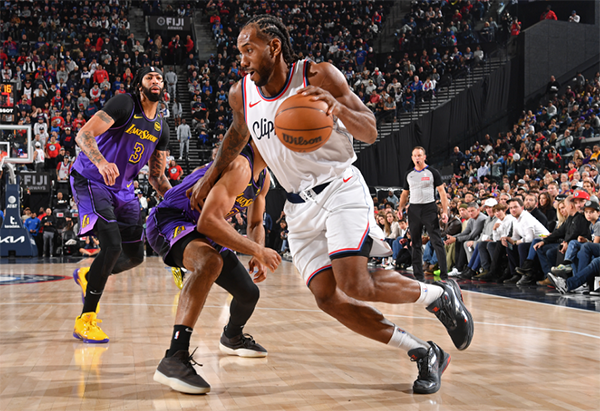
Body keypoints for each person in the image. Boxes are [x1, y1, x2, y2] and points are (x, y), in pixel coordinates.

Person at [186, 15, 473, 395]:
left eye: (249, 50)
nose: (242, 60)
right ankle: (424, 351)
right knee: (327, 297)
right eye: (240, 52)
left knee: (354, 282)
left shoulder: (318, 76)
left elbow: (369, 129)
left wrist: (338, 110)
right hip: (297, 207)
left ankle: (439, 295)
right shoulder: (241, 94)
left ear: (274, 47)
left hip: (339, 187)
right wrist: (209, 177)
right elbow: (237, 134)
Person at [147, 141, 280, 394]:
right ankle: (174, 357)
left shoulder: (262, 177)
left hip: (207, 227)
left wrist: (258, 251)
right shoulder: (240, 165)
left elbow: (255, 223)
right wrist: (257, 250)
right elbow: (208, 222)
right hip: (173, 218)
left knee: (248, 293)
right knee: (210, 262)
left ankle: (232, 337)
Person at [70, 66, 172, 343]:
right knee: (112, 247)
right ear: (140, 84)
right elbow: (83, 135)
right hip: (92, 178)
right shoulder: (125, 104)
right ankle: (86, 320)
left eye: (159, 78)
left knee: (134, 256)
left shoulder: (161, 127)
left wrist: (179, 202)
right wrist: (102, 163)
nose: (155, 80)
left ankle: (89, 275)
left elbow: (156, 176)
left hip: (123, 188)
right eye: (149, 77)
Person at [398, 147, 449, 280]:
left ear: (424, 157)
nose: (417, 158)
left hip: (429, 208)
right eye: (415, 155)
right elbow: (404, 194)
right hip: (414, 209)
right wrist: (400, 209)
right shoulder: (409, 174)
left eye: (419, 155)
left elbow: (442, 193)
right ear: (412, 158)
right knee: (415, 243)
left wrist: (445, 211)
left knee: (436, 241)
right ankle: (418, 276)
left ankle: (444, 275)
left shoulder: (432, 172)